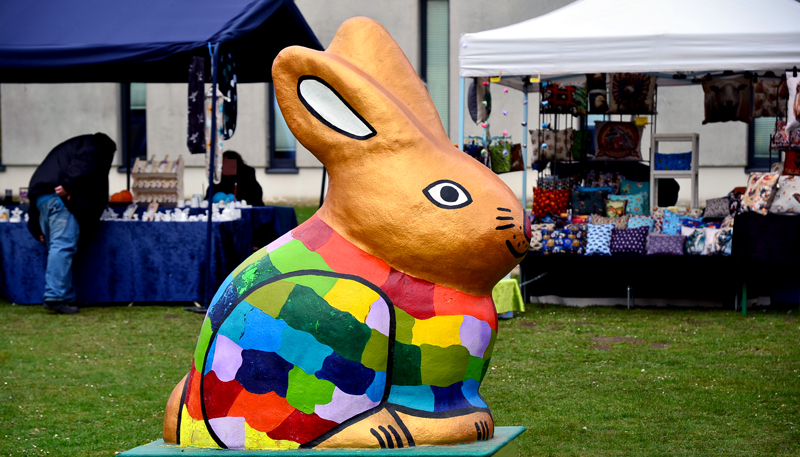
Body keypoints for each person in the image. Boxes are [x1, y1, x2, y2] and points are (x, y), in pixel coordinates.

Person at [27, 133, 117, 314]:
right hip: (59, 201)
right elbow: (85, 163)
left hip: (43, 199)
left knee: (58, 247)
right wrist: (69, 185)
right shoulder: (97, 144)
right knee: (63, 247)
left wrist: (36, 228)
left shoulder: (71, 147)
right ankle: (55, 297)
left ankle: (66, 296)